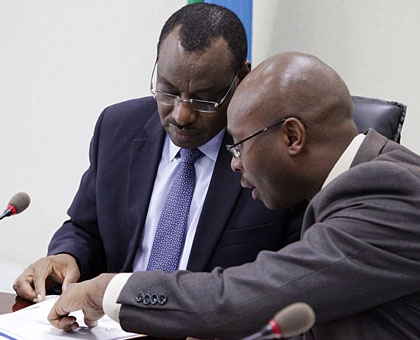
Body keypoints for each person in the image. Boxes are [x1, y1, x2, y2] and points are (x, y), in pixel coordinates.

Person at [48, 51, 420, 340]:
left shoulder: (392, 194)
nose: (234, 164)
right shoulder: (360, 183)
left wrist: (107, 290)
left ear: (292, 137)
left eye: (239, 146)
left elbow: (258, 293)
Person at [13, 3, 305, 304]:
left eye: (205, 100)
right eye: (169, 91)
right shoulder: (118, 128)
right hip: (112, 326)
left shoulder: (271, 153)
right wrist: (68, 256)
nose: (181, 114)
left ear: (242, 77)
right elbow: (86, 229)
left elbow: (289, 282)